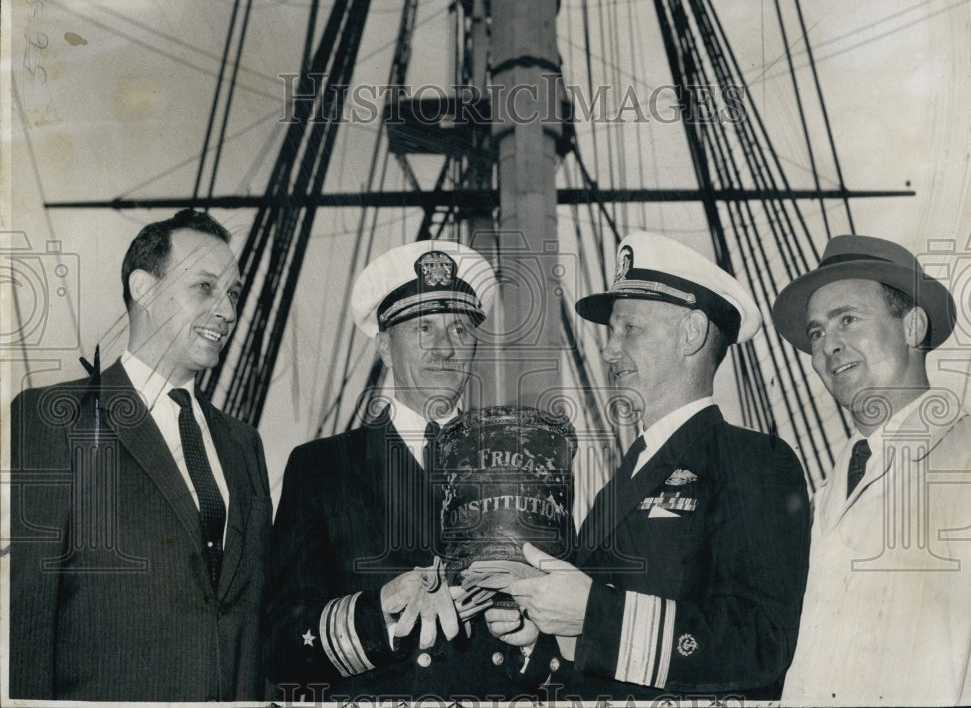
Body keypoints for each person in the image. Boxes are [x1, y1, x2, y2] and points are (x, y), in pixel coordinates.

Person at [487, 231, 811, 701]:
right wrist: (541, 628)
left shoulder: (757, 462)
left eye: (629, 329)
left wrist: (595, 615)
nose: (608, 351)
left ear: (692, 333)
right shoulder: (616, 487)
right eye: (610, 332)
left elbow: (763, 644)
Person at [265, 240, 563, 702]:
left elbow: (560, 636)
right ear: (384, 345)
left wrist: (530, 639)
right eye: (424, 328)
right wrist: (381, 610)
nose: (445, 348)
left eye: (461, 330)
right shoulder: (320, 468)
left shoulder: (525, 464)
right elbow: (282, 641)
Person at [9, 209, 272, 701]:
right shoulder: (54, 418)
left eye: (233, 294)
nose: (228, 312)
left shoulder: (243, 444)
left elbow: (257, 613)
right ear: (143, 288)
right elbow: (28, 619)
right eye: (205, 287)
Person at [772, 234, 971, 705]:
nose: (827, 346)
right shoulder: (830, 490)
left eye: (848, 320)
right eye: (816, 333)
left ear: (913, 327)